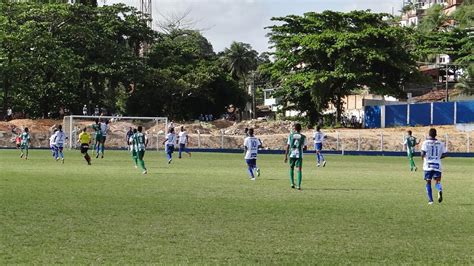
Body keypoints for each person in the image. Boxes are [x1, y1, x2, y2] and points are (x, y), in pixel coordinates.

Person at [421, 128, 447, 205]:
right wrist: (438, 157)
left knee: (428, 182)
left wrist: (423, 158)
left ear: (429, 134)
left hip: (428, 165)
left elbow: (422, 153)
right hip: (437, 165)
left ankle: (430, 200)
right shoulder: (440, 143)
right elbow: (445, 154)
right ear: (436, 134)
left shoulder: (425, 143)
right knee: (437, 182)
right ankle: (439, 190)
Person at [284, 123, 308, 190]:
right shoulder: (303, 137)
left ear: (294, 129)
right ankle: (298, 185)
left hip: (291, 154)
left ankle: (292, 183)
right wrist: (301, 148)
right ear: (300, 129)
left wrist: (285, 156)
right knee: (299, 170)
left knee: (291, 168)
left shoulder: (291, 136)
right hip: (299, 154)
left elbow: (288, 146)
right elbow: (305, 148)